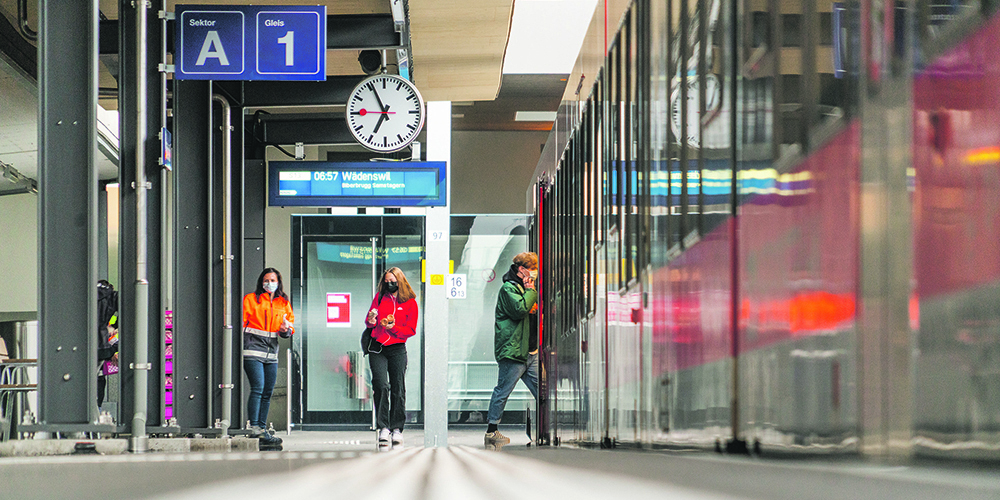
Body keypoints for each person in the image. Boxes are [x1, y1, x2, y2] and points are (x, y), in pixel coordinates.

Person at [485, 252, 539, 446]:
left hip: (530, 352)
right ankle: (491, 431)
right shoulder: (509, 289)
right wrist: (531, 290)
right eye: (531, 268)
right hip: (514, 351)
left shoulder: (523, 288)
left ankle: (544, 429)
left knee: (542, 392)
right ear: (521, 269)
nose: (534, 272)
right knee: (503, 391)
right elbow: (520, 310)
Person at [365, 267, 418, 446]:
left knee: (398, 387)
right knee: (380, 385)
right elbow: (370, 319)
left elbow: (411, 330)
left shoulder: (410, 302)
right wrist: (371, 321)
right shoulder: (380, 297)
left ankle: (397, 428)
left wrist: (393, 328)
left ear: (400, 281)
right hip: (378, 348)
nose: (389, 284)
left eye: (392, 281)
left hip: (397, 348)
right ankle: (383, 427)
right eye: (386, 281)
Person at [242, 267, 294, 447]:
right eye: (266, 280)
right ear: (261, 281)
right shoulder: (251, 299)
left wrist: (286, 330)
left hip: (272, 352)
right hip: (253, 349)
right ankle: (254, 428)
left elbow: (290, 327)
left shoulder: (283, 302)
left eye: (273, 280)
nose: (269, 283)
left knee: (268, 392)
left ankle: (262, 431)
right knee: (258, 387)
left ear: (278, 282)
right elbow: (242, 323)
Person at [97, 280, 119, 410]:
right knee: (98, 378)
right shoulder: (112, 297)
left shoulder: (84, 294)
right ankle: (96, 413)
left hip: (79, 347)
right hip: (101, 346)